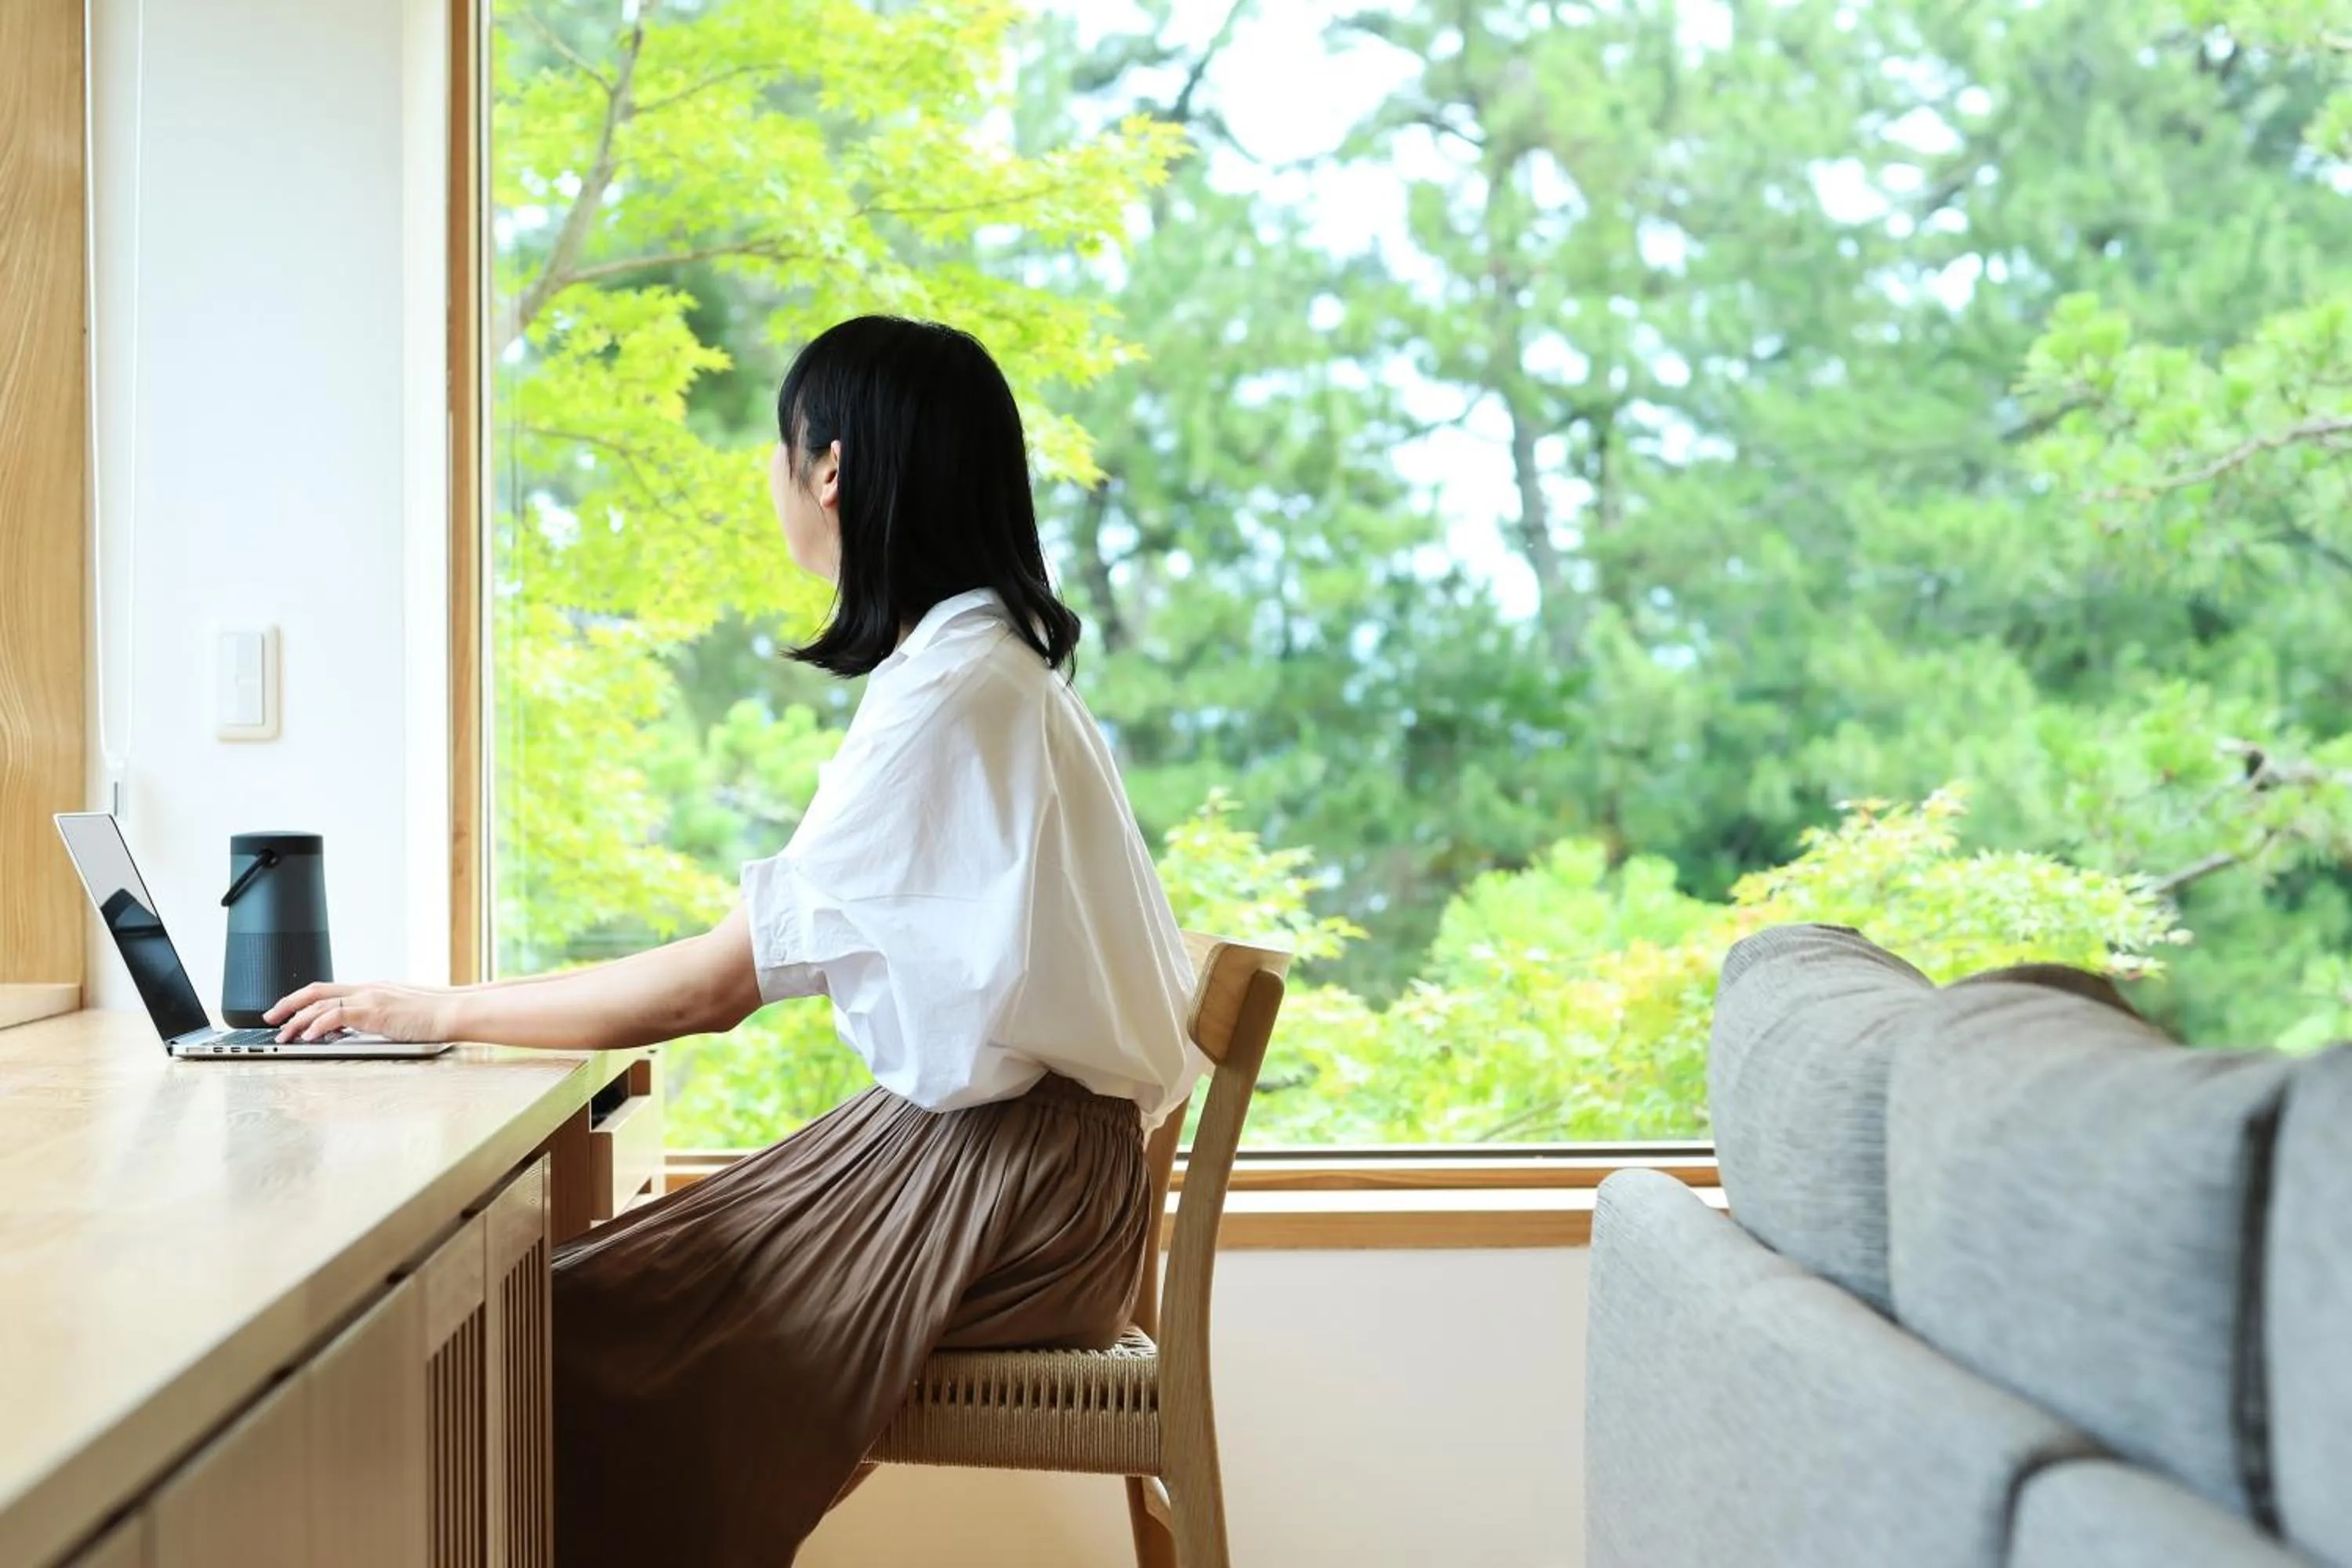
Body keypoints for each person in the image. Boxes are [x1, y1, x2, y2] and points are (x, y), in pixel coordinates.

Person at [265, 316, 1200, 1566]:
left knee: (550, 1341)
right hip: (1025, 1172)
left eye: (780, 449)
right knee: (570, 1313)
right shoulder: (988, 663)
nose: (773, 477)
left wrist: (434, 1014)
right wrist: (439, 999)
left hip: (1004, 1186)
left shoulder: (952, 689)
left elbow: (714, 985)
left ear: (832, 470)